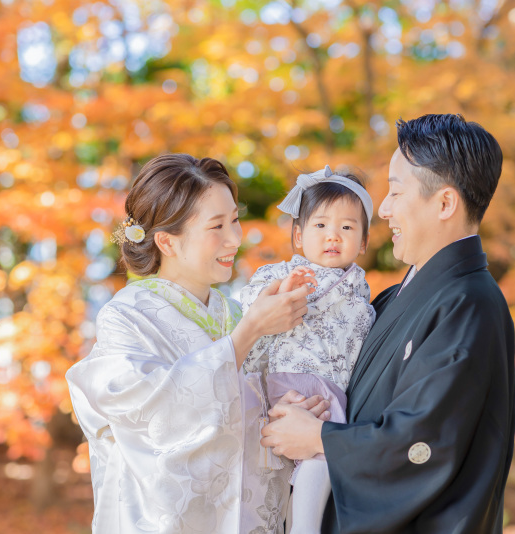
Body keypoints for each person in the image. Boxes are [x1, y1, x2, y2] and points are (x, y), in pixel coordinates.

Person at [260, 114, 515, 533]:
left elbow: (423, 442)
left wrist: (319, 438)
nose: (383, 209)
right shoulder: (397, 298)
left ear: (445, 203)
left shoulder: (469, 304)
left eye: (396, 192)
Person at [65, 153, 330, 534]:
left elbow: (237, 422)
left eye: (235, 220)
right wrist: (249, 332)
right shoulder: (127, 316)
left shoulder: (234, 313)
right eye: (217, 227)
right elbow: (155, 416)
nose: (235, 239)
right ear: (167, 243)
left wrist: (277, 411)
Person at [240, 165, 376, 533]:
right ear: (298, 236)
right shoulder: (282, 274)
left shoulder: (360, 292)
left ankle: (304, 525)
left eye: (347, 227)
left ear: (363, 242)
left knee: (324, 458)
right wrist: (287, 289)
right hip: (291, 380)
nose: (333, 236)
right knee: (313, 455)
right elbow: (250, 306)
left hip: (333, 388)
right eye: (320, 226)